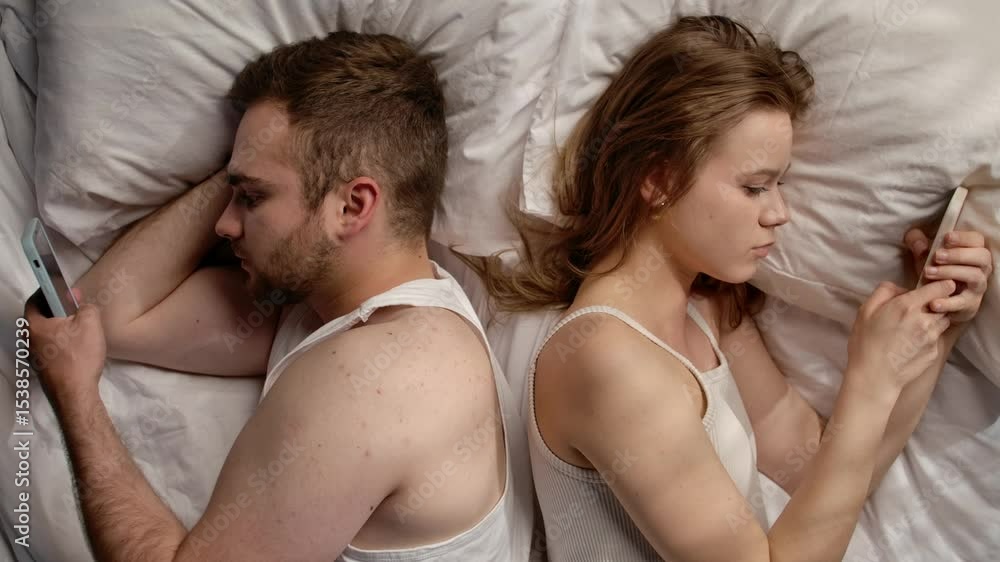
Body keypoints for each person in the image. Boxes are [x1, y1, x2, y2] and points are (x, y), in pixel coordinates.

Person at [470, 16, 993, 561]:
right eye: (755, 187)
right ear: (659, 180)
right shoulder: (608, 359)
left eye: (780, 184)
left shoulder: (707, 309)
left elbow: (819, 472)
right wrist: (869, 380)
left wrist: (937, 318)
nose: (779, 212)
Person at [24, 31, 537, 561]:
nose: (224, 224)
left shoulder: (383, 378)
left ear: (352, 207)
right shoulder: (325, 312)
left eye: (251, 198)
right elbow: (104, 317)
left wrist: (75, 398)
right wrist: (246, 169)